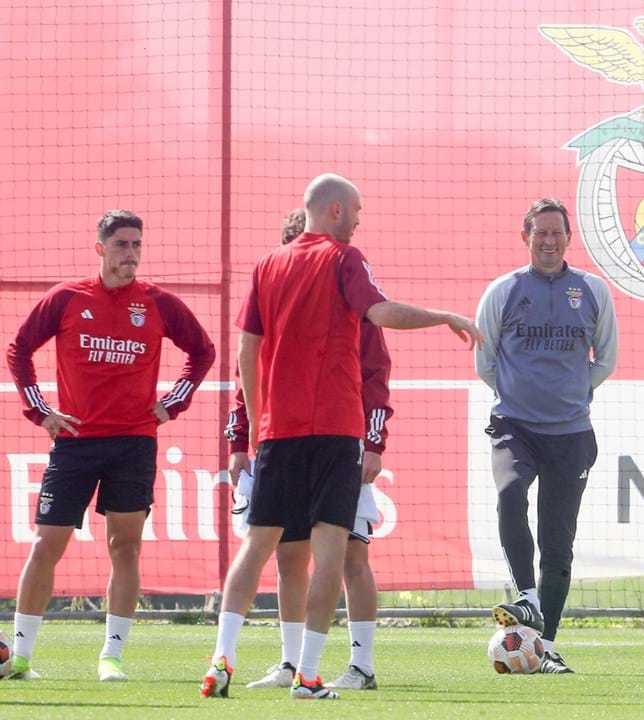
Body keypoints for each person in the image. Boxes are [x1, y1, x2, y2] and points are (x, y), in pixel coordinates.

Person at [201, 174, 481, 700]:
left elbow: (245, 354)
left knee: (257, 544)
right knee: (330, 551)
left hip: (278, 432)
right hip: (332, 429)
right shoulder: (344, 259)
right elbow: (382, 313)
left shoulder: (266, 265)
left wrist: (260, 425)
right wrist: (443, 315)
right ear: (334, 210)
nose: (358, 220)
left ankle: (223, 657)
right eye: (355, 210)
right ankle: (308, 675)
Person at [6, 210, 215, 682]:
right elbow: (18, 349)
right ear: (100, 249)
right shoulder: (66, 298)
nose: (131, 254)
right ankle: (19, 658)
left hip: (134, 443)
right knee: (46, 544)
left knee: (125, 547)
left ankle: (111, 656)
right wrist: (41, 412)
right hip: (75, 442)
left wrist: (172, 403)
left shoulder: (158, 302)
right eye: (122, 245)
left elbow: (203, 351)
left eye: (137, 244)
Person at [224, 208, 391, 691]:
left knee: (350, 556)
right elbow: (246, 372)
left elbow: (376, 376)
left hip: (340, 440)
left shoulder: (350, 298)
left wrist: (375, 443)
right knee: (287, 556)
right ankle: (292, 664)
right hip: (284, 440)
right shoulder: (276, 295)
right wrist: (241, 439)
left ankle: (360, 665)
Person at [474, 198, 617, 674]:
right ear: (526, 237)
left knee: (558, 543)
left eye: (557, 233)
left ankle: (546, 647)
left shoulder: (592, 290)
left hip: (571, 433)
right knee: (510, 493)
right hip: (514, 425)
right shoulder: (503, 291)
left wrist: (572, 394)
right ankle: (528, 598)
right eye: (541, 234)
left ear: (569, 238)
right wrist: (520, 396)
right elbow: (485, 360)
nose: (549, 241)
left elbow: (606, 359)